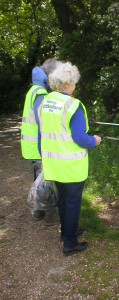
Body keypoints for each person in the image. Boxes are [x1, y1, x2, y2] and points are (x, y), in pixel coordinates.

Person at [38, 61, 102, 256]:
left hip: (53, 164)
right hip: (72, 166)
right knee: (72, 204)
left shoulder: (45, 102)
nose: (75, 85)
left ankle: (68, 232)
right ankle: (70, 244)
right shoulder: (73, 105)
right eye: (74, 82)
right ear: (68, 84)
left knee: (63, 201)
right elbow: (80, 138)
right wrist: (95, 140)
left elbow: (44, 134)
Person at [21, 59, 61, 225]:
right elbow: (42, 123)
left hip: (32, 145)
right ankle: (49, 214)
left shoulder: (34, 89)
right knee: (46, 181)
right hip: (39, 146)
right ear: (49, 75)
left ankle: (39, 211)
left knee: (39, 179)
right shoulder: (40, 93)